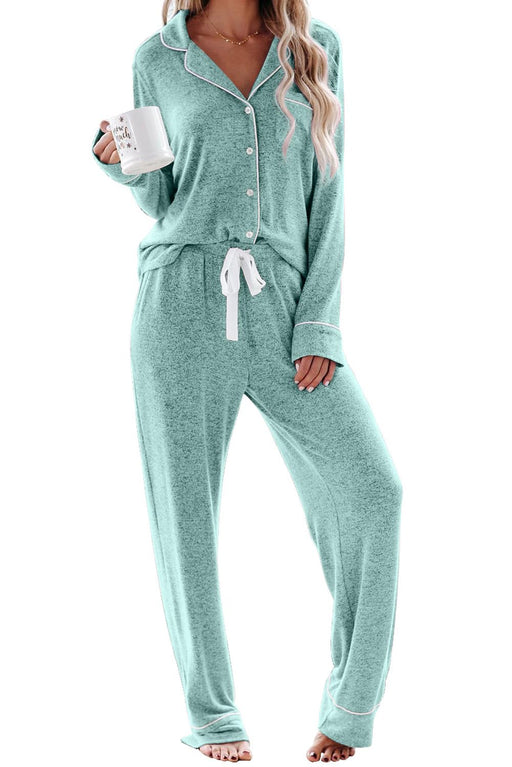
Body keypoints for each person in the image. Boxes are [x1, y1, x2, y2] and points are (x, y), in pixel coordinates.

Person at [91, 0, 403, 762]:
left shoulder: (315, 50)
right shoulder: (158, 58)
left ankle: (351, 706)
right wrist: (116, 162)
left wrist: (319, 323)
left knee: (374, 490)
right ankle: (214, 716)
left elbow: (329, 193)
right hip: (179, 300)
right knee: (186, 518)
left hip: (285, 304)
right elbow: (161, 196)